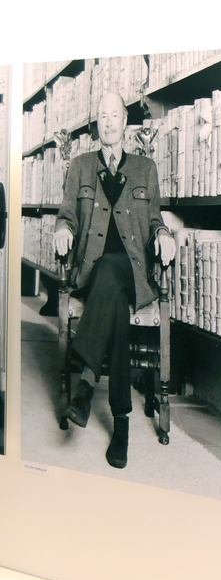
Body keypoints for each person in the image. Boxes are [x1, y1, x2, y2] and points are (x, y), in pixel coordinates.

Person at [53, 91, 176, 469]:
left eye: (114, 116)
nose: (108, 122)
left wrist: (163, 235)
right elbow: (67, 214)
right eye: (102, 116)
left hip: (133, 270)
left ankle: (86, 387)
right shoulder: (80, 166)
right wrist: (62, 229)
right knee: (114, 299)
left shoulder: (144, 168)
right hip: (92, 272)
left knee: (114, 273)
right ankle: (121, 423)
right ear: (97, 124)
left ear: (125, 122)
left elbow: (154, 219)